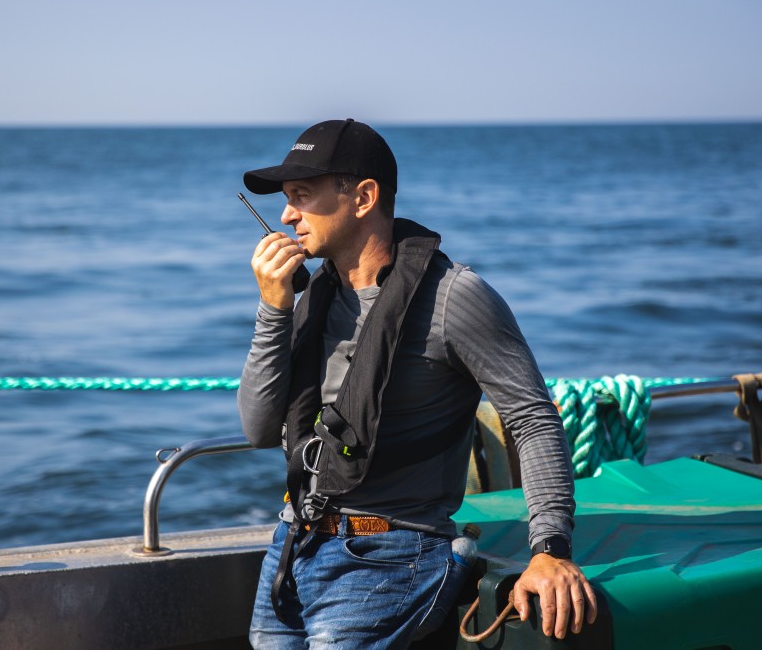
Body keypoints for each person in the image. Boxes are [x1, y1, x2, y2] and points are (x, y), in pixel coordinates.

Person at [237, 119, 597, 648]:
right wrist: (273, 308)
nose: (287, 215)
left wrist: (549, 550)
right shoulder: (312, 296)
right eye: (287, 199)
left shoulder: (455, 297)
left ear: (363, 197)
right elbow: (260, 430)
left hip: (389, 557)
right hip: (293, 545)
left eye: (302, 195)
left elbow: (532, 418)